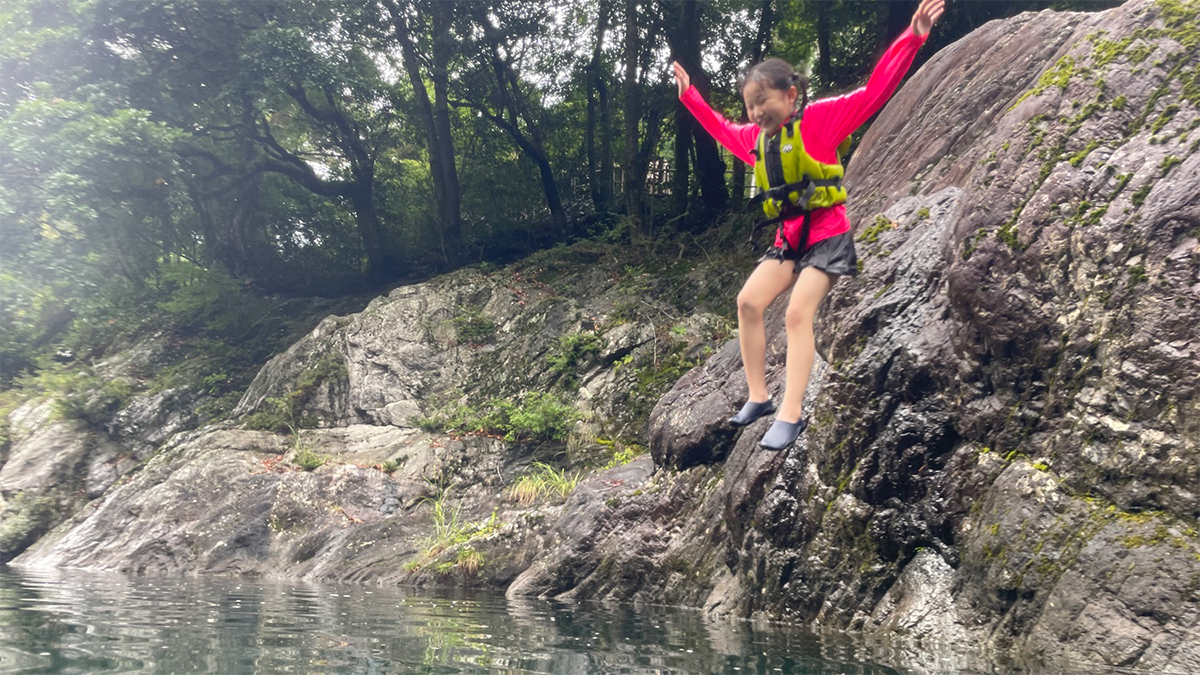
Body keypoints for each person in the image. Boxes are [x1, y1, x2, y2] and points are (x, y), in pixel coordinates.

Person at [672, 0, 944, 450]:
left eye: (763, 101)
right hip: (788, 241)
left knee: (798, 314)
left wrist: (911, 38)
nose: (756, 112)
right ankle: (758, 397)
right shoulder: (755, 141)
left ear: (790, 95)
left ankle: (791, 413)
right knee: (748, 302)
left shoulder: (819, 121)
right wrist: (690, 97)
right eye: (750, 105)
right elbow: (720, 129)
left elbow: (875, 91)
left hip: (828, 237)